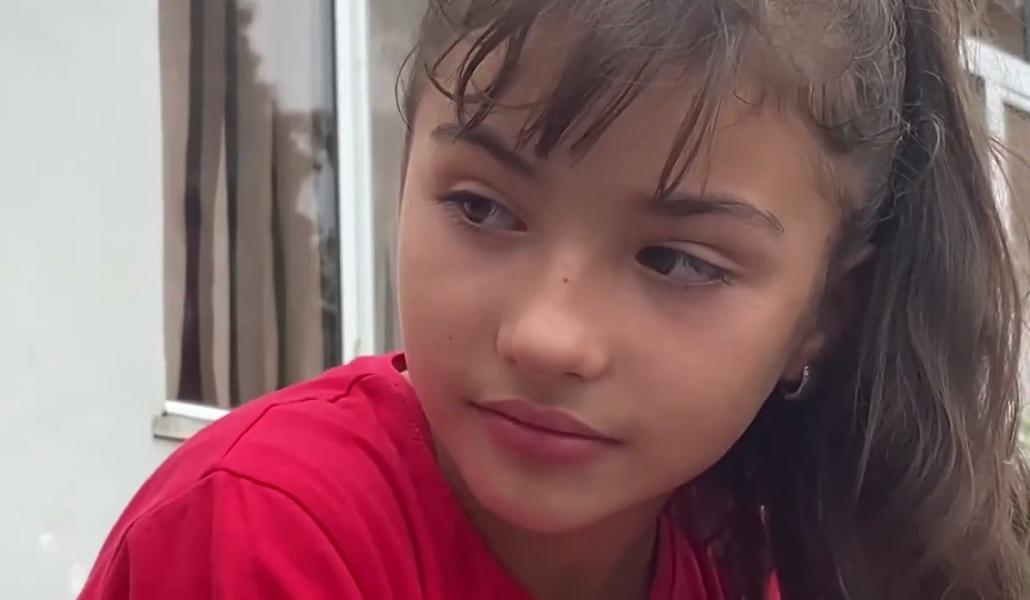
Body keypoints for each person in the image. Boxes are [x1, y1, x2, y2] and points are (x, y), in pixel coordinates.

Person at [81, 0, 1030, 598]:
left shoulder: (766, 558)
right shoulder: (269, 527)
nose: (547, 336)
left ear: (823, 316)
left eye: (678, 262)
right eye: (481, 207)